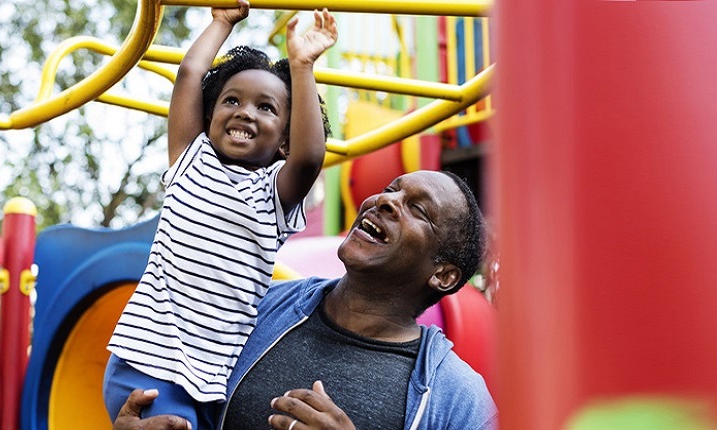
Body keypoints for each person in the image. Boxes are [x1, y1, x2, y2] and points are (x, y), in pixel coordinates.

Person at [112, 170, 498, 430]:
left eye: (417, 209)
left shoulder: (459, 399)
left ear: (443, 274)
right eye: (392, 188)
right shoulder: (254, 309)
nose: (385, 200)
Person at [104, 0, 338, 428]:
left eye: (266, 107)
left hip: (211, 381)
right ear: (210, 115)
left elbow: (309, 156)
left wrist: (302, 67)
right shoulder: (192, 161)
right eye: (231, 100)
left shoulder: (273, 195)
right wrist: (221, 23)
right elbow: (190, 76)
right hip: (149, 362)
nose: (245, 111)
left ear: (284, 140)